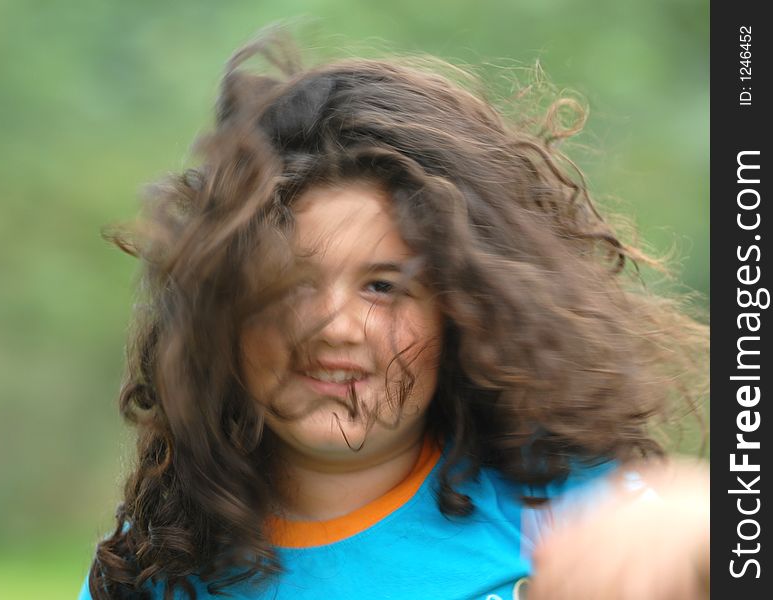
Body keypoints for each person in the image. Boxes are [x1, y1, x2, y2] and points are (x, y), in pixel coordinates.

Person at [79, 29, 709, 600]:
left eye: (383, 286)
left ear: (461, 312)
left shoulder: (566, 502)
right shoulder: (156, 568)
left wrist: (698, 519)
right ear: (224, 313)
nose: (335, 327)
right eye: (291, 285)